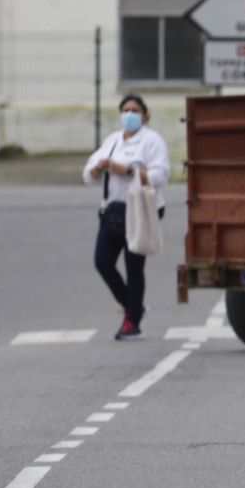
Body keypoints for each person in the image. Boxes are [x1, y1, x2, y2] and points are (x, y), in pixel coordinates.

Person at [83, 94, 170, 341]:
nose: (130, 115)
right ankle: (134, 306)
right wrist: (98, 168)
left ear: (145, 116)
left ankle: (132, 322)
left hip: (141, 209)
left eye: (135, 110)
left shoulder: (152, 141)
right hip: (112, 212)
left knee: (134, 265)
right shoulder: (112, 141)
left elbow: (161, 175)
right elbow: (88, 176)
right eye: (126, 110)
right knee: (102, 262)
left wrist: (130, 171)